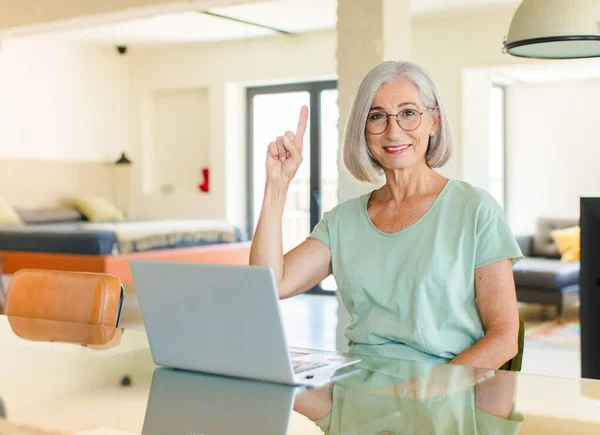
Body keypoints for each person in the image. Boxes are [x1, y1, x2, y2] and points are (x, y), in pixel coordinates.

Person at [249, 60, 522, 369]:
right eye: (377, 117)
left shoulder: (475, 209)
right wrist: (277, 184)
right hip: (360, 393)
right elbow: (269, 284)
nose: (393, 132)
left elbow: (503, 337)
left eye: (408, 113)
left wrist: (427, 392)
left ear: (434, 121)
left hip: (443, 397)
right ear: (363, 130)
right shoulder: (343, 221)